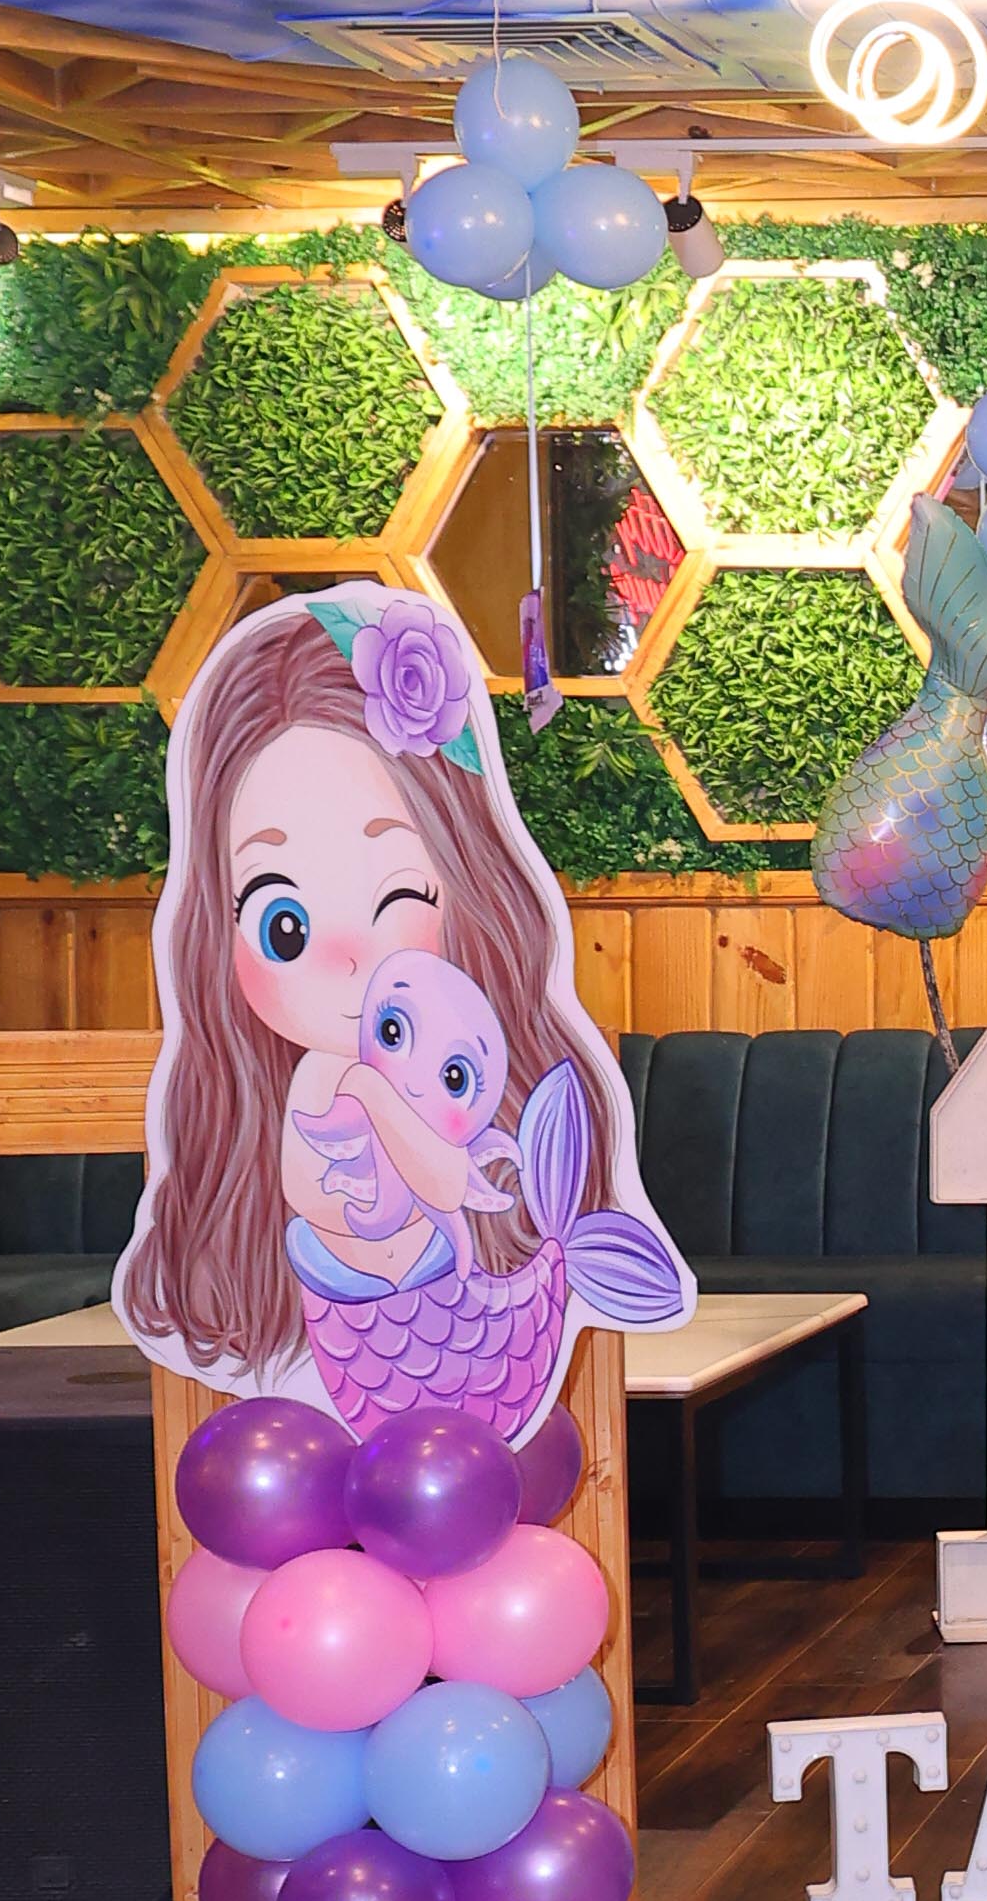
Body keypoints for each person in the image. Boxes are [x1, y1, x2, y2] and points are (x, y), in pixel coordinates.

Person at [117, 585, 686, 1426]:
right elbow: (335, 1185)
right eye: (286, 923)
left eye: (398, 895)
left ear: (463, 890)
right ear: (219, 931)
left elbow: (441, 1172)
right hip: (364, 1312)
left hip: (443, 1314)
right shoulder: (310, 1088)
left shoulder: (490, 1085)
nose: (349, 957)